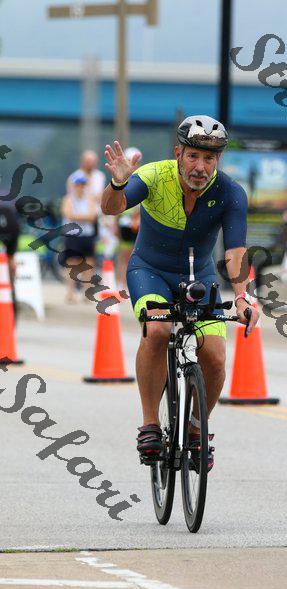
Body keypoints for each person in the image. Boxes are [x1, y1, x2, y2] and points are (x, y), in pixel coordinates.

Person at [101, 115, 259, 471]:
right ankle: (150, 424)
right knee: (157, 330)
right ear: (178, 154)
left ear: (218, 160)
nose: (200, 166)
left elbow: (235, 251)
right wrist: (118, 183)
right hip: (150, 271)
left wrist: (243, 297)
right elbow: (110, 208)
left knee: (215, 356)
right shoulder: (154, 177)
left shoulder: (230, 193)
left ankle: (197, 428)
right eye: (193, 156)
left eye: (209, 158)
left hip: (199, 277)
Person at [61, 174, 97, 303]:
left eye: (82, 185)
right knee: (72, 264)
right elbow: (68, 214)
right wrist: (84, 217)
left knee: (89, 264)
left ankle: (87, 293)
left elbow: (92, 217)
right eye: (78, 185)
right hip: (73, 236)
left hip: (86, 235)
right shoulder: (68, 199)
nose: (80, 187)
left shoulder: (90, 198)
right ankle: (70, 293)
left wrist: (77, 217)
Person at [116, 147, 142, 287]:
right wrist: (115, 225)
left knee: (135, 256)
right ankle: (122, 283)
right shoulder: (121, 177)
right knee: (124, 255)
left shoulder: (141, 177)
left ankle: (131, 284)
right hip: (125, 223)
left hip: (137, 223)